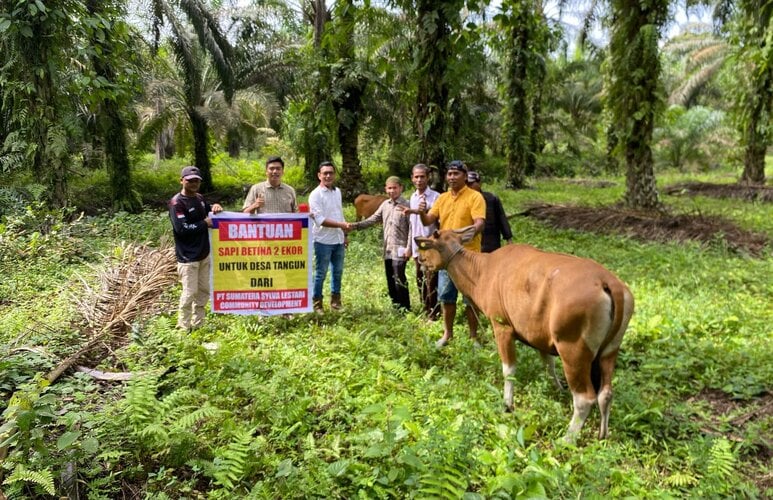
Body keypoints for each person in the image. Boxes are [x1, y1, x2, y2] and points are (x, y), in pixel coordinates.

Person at [404, 160, 485, 348]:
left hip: (468, 256)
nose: (452, 177)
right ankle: (447, 334)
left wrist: (467, 233)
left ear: (465, 176)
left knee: (470, 300)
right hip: (446, 258)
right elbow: (428, 221)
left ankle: (474, 337)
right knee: (446, 297)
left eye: (456, 174)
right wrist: (422, 212)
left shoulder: (475, 197)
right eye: (449, 174)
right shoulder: (443, 198)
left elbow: (479, 222)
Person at [168, 166, 223, 331]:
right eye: (190, 180)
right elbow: (182, 229)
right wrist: (203, 224)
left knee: (204, 290)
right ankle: (183, 326)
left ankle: (198, 325)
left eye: (196, 180)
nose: (193, 183)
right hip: (188, 257)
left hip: (204, 254)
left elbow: (209, 213)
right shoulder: (176, 203)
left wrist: (216, 207)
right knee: (189, 292)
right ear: (182, 181)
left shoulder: (199, 198)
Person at [351, 176, 411, 312]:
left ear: (401, 188)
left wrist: (409, 248)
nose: (392, 191)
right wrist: (354, 226)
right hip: (387, 249)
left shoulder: (407, 205)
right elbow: (372, 220)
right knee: (390, 278)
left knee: (399, 278)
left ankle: (405, 308)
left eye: (395, 188)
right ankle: (395, 306)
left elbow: (412, 228)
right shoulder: (385, 205)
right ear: (386, 189)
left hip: (400, 248)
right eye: (389, 188)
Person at [308, 161, 351, 313]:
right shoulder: (315, 195)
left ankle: (335, 302)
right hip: (322, 241)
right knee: (321, 273)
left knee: (337, 272)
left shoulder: (337, 191)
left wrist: (344, 234)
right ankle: (317, 304)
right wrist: (341, 225)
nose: (328, 176)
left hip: (338, 240)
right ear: (319, 175)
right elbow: (320, 220)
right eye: (324, 173)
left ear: (334, 175)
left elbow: (340, 214)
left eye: (331, 173)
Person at [406, 163, 440, 320]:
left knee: (431, 279)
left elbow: (437, 221)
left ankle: (434, 312)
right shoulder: (412, 197)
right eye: (416, 177)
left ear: (428, 178)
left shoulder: (436, 197)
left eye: (422, 177)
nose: (419, 180)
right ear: (412, 178)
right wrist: (410, 247)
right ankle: (425, 308)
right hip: (416, 245)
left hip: (430, 245)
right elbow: (412, 225)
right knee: (420, 278)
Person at [466, 171, 513, 253]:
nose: (468, 187)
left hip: (490, 242)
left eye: (471, 184)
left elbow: (501, 218)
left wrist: (508, 239)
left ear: (479, 183)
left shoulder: (491, 198)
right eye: (466, 184)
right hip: (472, 243)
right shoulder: (462, 200)